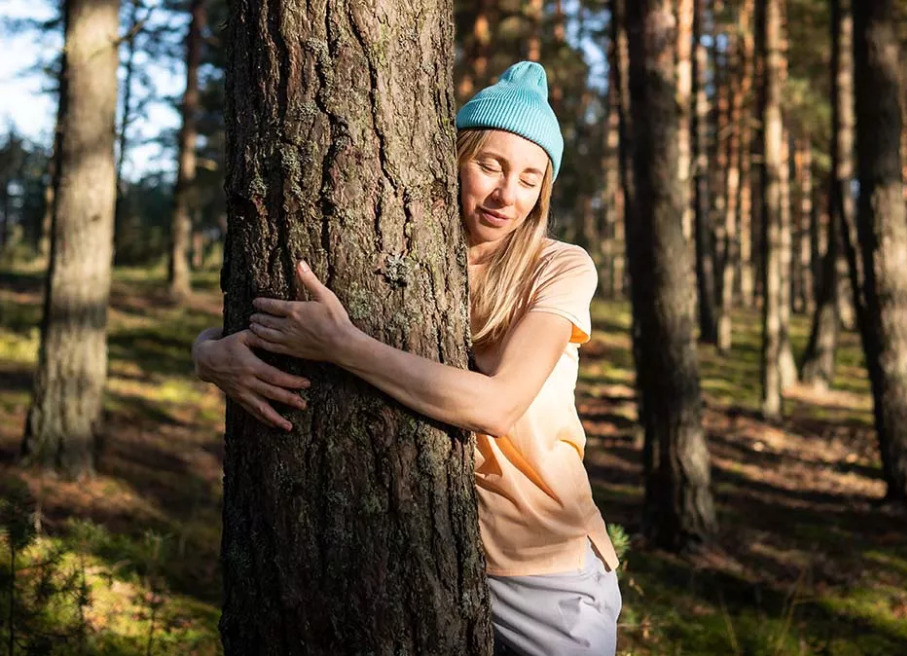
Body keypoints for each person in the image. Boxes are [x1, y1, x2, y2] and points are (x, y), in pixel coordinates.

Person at [191, 61, 622, 655]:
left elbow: (498, 405)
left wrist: (343, 347)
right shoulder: (407, 246)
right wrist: (209, 352)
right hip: (419, 550)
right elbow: (282, 319)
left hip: (540, 563)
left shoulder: (560, 266)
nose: (506, 195)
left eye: (529, 178)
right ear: (454, 158)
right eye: (490, 165)